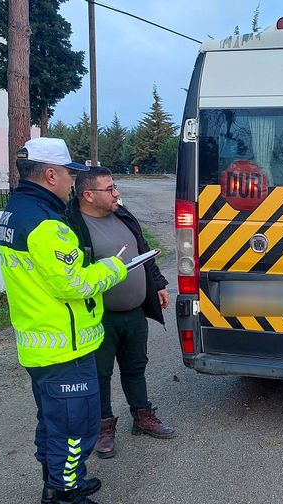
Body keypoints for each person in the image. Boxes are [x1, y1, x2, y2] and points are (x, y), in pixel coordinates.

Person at [0, 138, 128, 504]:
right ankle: (64, 495)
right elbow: (75, 283)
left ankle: (60, 481)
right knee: (75, 429)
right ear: (51, 174)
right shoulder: (47, 225)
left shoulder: (14, 212)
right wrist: (113, 267)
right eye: (71, 174)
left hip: (40, 343)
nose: (73, 181)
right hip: (63, 348)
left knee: (54, 423)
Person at [65, 167, 174, 460]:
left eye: (115, 187)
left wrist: (159, 284)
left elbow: (143, 250)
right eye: (110, 189)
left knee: (136, 367)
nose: (117, 193)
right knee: (100, 374)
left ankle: (142, 417)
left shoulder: (123, 216)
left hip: (134, 312)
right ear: (88, 195)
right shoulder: (72, 227)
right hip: (100, 317)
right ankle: (103, 428)